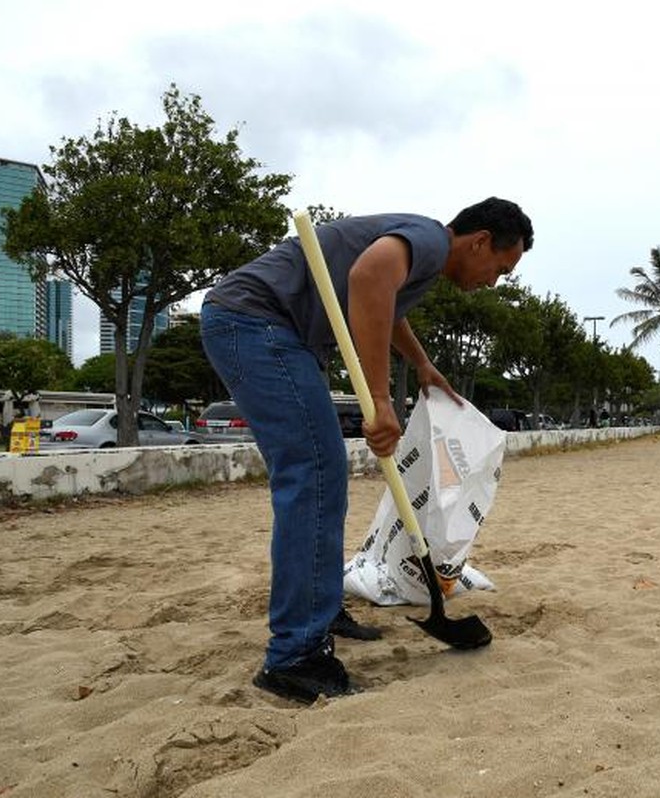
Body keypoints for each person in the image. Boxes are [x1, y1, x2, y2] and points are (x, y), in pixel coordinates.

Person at [200, 198, 534, 703]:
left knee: (321, 471)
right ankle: (295, 656)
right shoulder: (427, 239)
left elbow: (386, 304)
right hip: (255, 321)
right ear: (480, 241)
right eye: (500, 269)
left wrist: (420, 363)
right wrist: (380, 400)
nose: (494, 281)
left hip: (272, 329)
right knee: (314, 471)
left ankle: (319, 605)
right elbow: (369, 278)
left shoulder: (422, 251)